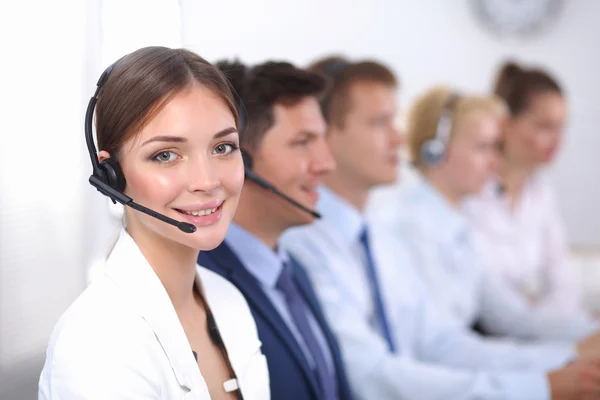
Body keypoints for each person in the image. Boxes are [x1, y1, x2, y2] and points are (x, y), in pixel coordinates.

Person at [281, 55, 600, 400]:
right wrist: (544, 384)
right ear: (325, 133)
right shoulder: (306, 245)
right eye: (380, 123)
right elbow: (372, 377)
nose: (399, 139)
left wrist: (566, 359)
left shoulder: (378, 238)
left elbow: (441, 341)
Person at [38, 47, 269, 400]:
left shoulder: (229, 301)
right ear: (111, 176)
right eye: (165, 155)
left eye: (222, 147)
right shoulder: (97, 345)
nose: (206, 181)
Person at [370, 85, 598, 341]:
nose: (495, 162)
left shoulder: (456, 227)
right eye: (482, 148)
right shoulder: (411, 228)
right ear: (435, 151)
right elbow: (441, 348)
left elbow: (513, 318)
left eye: (495, 148)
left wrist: (590, 332)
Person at [197, 60, 353, 400]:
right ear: (241, 159)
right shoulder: (199, 288)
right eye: (302, 142)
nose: (326, 164)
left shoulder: (295, 273)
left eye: (322, 139)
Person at [464, 61, 590, 320]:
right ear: (505, 125)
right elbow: (481, 295)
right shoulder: (469, 191)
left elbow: (564, 284)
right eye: (545, 127)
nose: (558, 140)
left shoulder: (540, 192)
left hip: (534, 330)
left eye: (561, 127)